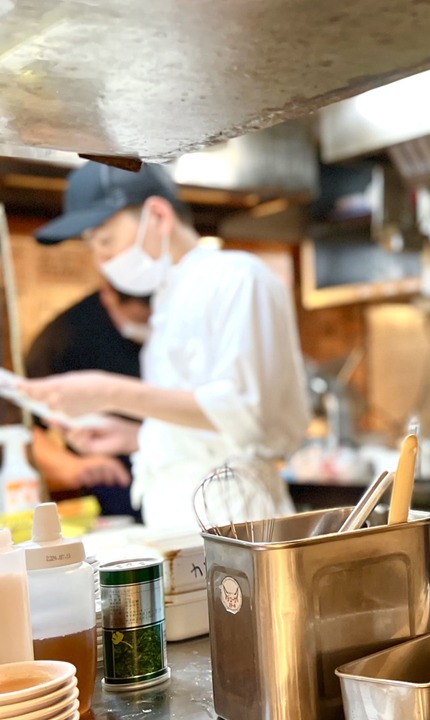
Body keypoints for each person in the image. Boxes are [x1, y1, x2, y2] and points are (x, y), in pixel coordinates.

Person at [21, 163, 310, 531]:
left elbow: (245, 413)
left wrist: (107, 391)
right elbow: (206, 428)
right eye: (92, 247)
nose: (102, 261)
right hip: (180, 518)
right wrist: (135, 437)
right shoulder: (168, 301)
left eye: (106, 241)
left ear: (157, 215)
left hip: (233, 515)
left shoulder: (236, 277)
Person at [23, 283, 151, 521]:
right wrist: (69, 466)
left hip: (182, 461)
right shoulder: (63, 341)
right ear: (108, 294)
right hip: (113, 477)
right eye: (139, 320)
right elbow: (22, 427)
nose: (148, 328)